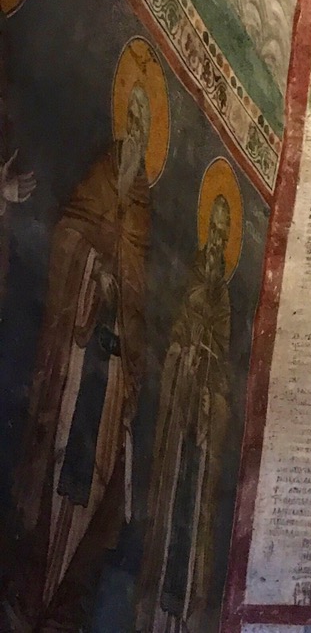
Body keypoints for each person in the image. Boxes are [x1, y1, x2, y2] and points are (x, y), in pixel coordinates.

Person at [7, 87, 152, 631]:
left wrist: (125, 320)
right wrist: (96, 275)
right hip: (75, 360)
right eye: (131, 114)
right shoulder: (101, 176)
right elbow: (68, 233)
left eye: (144, 120)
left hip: (109, 374)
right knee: (57, 468)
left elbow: (139, 297)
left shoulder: (141, 204)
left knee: (95, 486)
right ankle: (33, 588)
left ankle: (66, 601)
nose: (135, 127)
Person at [136, 196, 233, 633]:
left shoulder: (223, 299)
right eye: (213, 230)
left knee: (193, 519)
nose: (217, 241)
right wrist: (184, 355)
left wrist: (212, 393)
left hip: (200, 429)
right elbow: (173, 335)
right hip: (178, 423)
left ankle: (182, 614)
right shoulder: (189, 276)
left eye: (224, 235)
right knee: (169, 506)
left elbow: (224, 366)